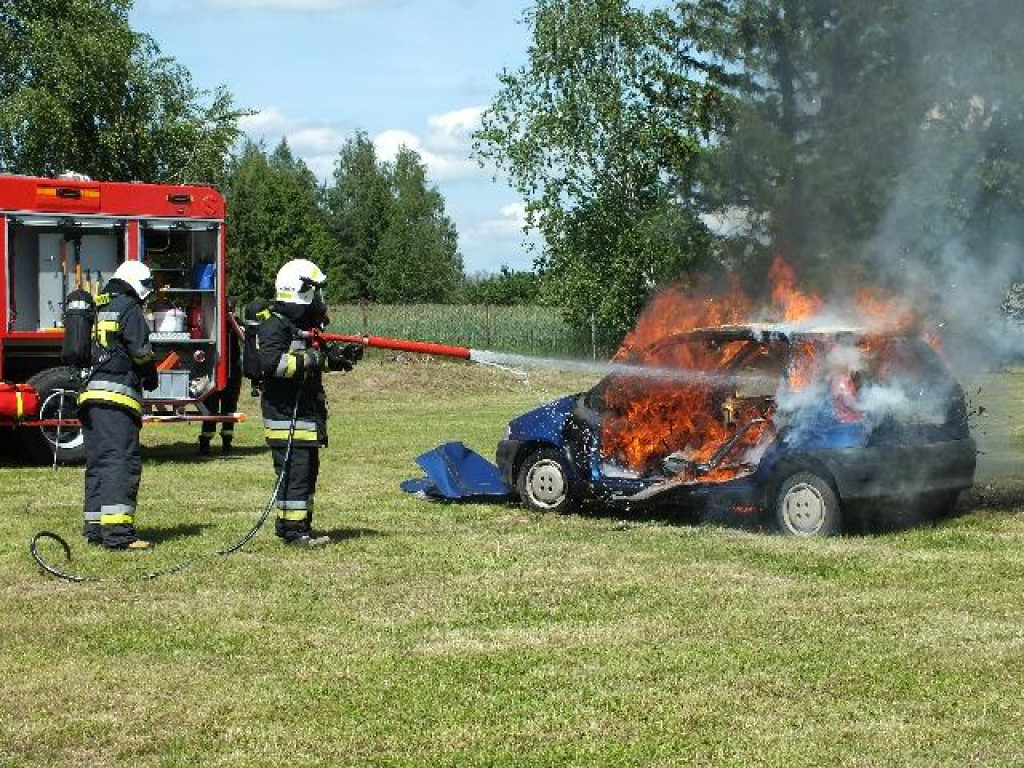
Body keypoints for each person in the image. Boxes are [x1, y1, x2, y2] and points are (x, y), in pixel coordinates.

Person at [257, 259, 362, 548]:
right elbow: (273, 364)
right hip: (286, 416)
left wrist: (337, 359)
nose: (318, 300)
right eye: (314, 292)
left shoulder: (299, 326)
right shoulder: (274, 326)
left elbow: (313, 361)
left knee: (305, 472)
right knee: (295, 474)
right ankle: (294, 532)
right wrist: (312, 359)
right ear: (300, 290)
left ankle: (296, 526)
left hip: (304, 413)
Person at [79, 260, 159, 550]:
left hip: (90, 396)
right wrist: (150, 374)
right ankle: (118, 535)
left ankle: (95, 528)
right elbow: (140, 351)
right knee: (120, 460)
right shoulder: (128, 306)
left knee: (99, 462)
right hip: (116, 396)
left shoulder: (98, 305)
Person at [198, 299, 243, 456]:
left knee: (229, 409)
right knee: (210, 408)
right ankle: (205, 443)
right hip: (213, 371)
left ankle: (227, 444)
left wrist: (232, 321)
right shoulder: (211, 323)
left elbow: (245, 339)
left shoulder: (235, 322)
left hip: (233, 371)